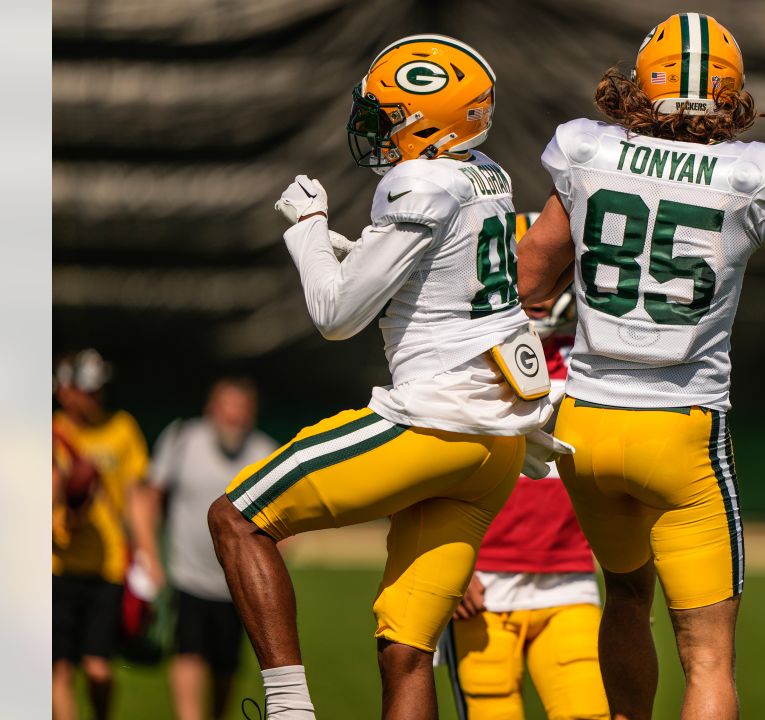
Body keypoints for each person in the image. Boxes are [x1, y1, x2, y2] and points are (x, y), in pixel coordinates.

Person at [516, 13, 765, 719]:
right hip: (680, 431)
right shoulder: (750, 173)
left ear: (641, 86)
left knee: (625, 595)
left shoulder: (584, 152)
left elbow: (531, 282)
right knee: (709, 657)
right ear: (732, 95)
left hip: (585, 425)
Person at [206, 35, 558, 720]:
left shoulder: (419, 181)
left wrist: (308, 228)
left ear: (431, 120)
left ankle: (287, 711)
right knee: (405, 651)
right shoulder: (486, 173)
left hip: (435, 423)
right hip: (498, 445)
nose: (375, 127)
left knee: (237, 518)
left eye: (389, 114)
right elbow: (434, 273)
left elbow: (337, 313)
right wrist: (357, 248)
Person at [444, 216, 609, 720]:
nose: (533, 282)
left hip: (571, 578)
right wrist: (449, 568)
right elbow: (423, 466)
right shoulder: (464, 356)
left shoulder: (597, 360)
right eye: (520, 268)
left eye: (550, 269)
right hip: (483, 583)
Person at [129, 378, 278, 720]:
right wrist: (149, 553)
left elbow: (287, 523)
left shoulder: (266, 453)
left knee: (226, 667)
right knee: (188, 652)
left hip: (239, 585)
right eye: (227, 409)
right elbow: (149, 496)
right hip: (187, 576)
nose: (234, 418)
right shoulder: (182, 439)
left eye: (242, 411)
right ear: (211, 409)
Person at [52, 349, 150, 720]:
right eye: (87, 389)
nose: (96, 396)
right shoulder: (50, 431)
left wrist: (148, 554)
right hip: (56, 566)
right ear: (65, 390)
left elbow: (135, 497)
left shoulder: (122, 428)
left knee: (99, 669)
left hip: (106, 564)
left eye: (99, 388)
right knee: (57, 670)